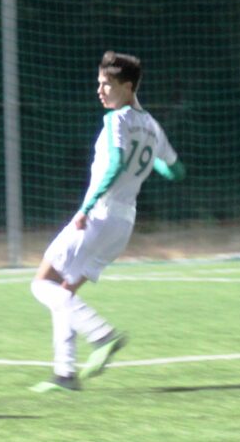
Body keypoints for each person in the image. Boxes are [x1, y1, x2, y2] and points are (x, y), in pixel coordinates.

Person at [30, 51, 185, 393]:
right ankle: (65, 374)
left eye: (107, 84)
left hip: (99, 215)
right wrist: (149, 164)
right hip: (123, 223)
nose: (100, 90)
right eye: (99, 83)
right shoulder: (153, 126)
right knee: (64, 294)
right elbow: (177, 170)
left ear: (127, 87)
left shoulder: (117, 120)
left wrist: (85, 208)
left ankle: (102, 335)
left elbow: (115, 164)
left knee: (42, 285)